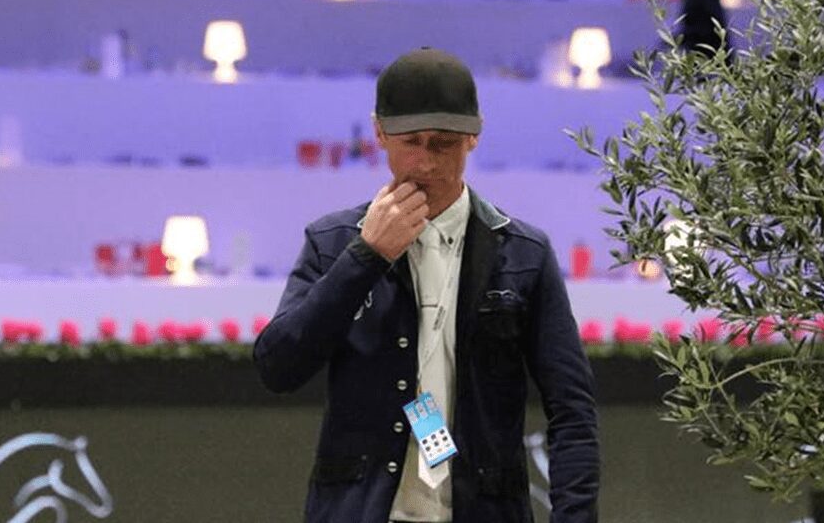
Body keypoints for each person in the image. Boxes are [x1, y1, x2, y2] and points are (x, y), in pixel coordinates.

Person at [253, 47, 599, 523]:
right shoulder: (333, 243)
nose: (426, 163)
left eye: (444, 144)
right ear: (379, 133)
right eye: (411, 141)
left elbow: (572, 410)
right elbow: (278, 368)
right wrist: (365, 257)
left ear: (474, 136)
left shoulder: (524, 254)